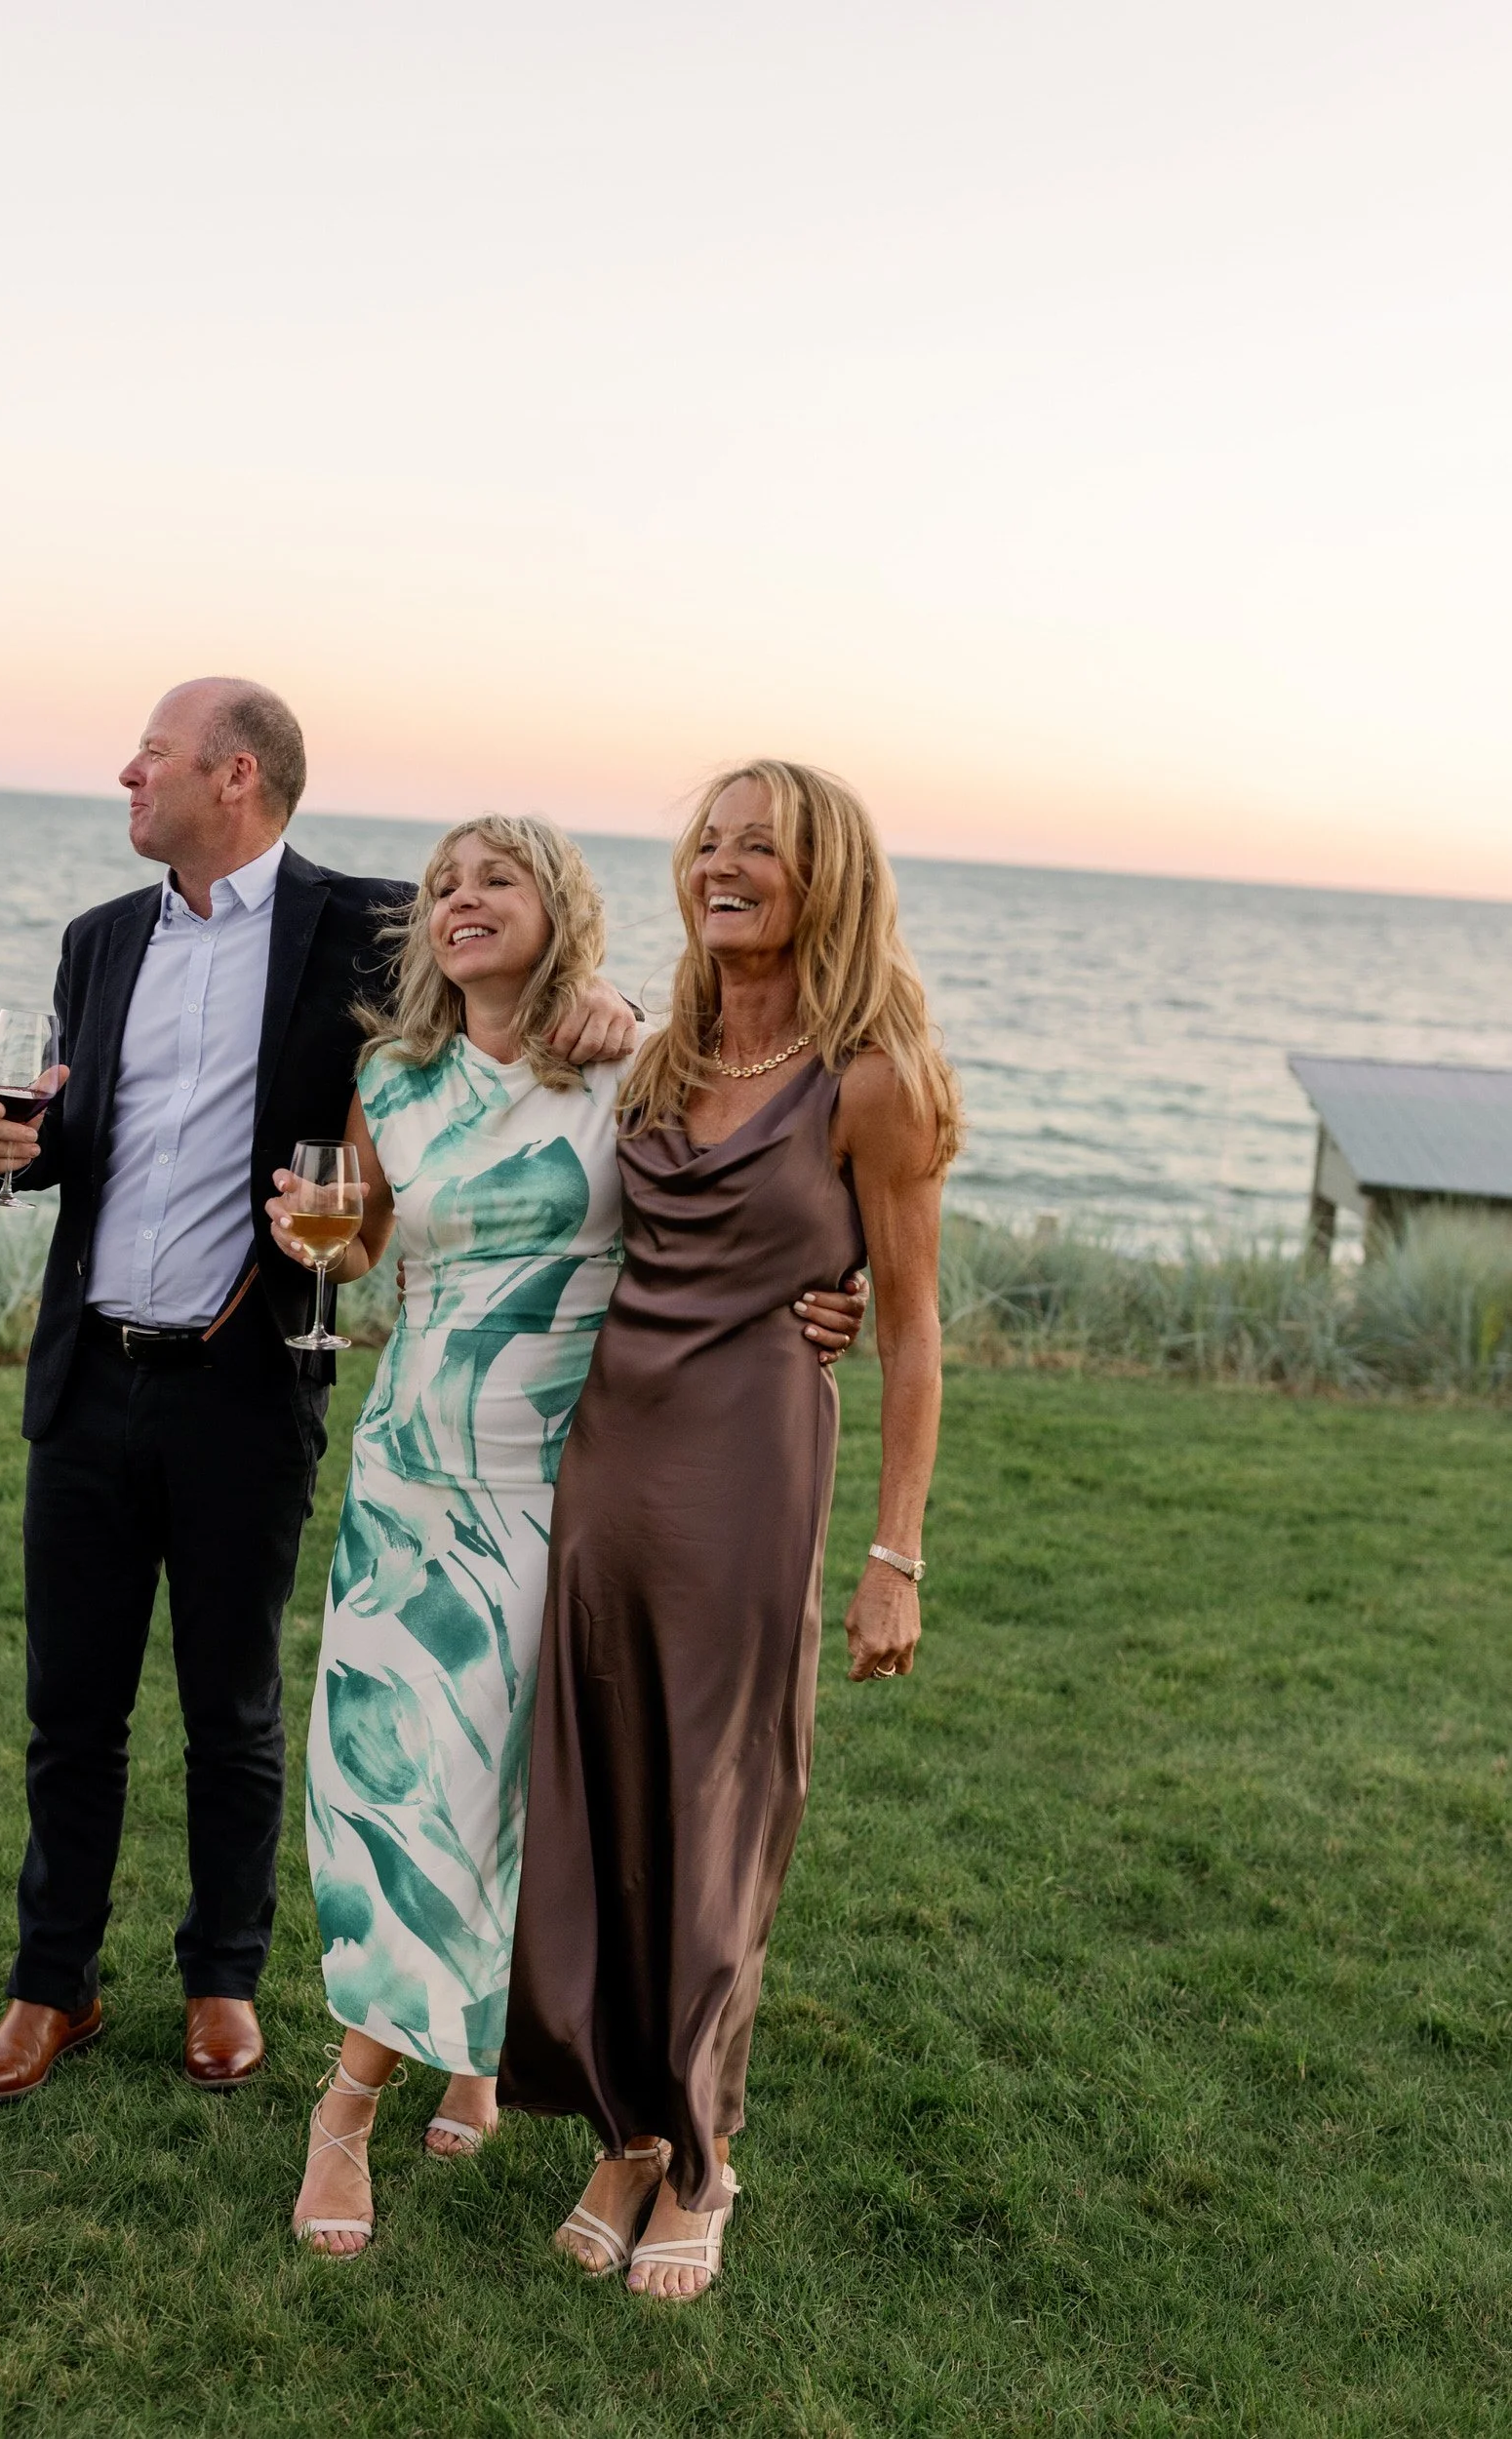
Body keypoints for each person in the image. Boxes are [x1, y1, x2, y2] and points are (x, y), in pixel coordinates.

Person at [0, 681, 637, 2105]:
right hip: (87, 1381)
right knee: (69, 1710)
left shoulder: (374, 923)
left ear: (236, 777)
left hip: (246, 1386)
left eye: (150, 754)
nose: (125, 773)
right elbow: (83, 1129)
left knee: (234, 1705)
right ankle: (50, 1987)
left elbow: (511, 962)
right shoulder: (97, 939)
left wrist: (608, 1003)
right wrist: (16, 1148)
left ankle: (223, 1980)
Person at [262, 816, 868, 2254]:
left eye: (499, 878)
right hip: (411, 1479)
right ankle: (368, 2095)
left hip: (564, 1493)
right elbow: (375, 1242)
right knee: (388, 1793)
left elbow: (730, 1204)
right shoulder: (389, 1076)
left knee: (514, 1802)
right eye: (445, 884)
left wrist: (821, 1295)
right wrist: (317, 1235)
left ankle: (445, 2066)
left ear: (562, 909)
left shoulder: (631, 1063)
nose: (463, 899)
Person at [497, 759, 961, 2299]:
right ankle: (626, 2131)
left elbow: (912, 1328)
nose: (724, 864)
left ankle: (703, 2156)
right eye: (709, 842)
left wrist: (895, 1557)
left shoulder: (874, 1082)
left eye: (761, 846)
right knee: (606, 1798)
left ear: (827, 878)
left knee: (720, 1813)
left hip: (750, 1472)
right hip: (609, 1466)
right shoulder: (658, 1057)